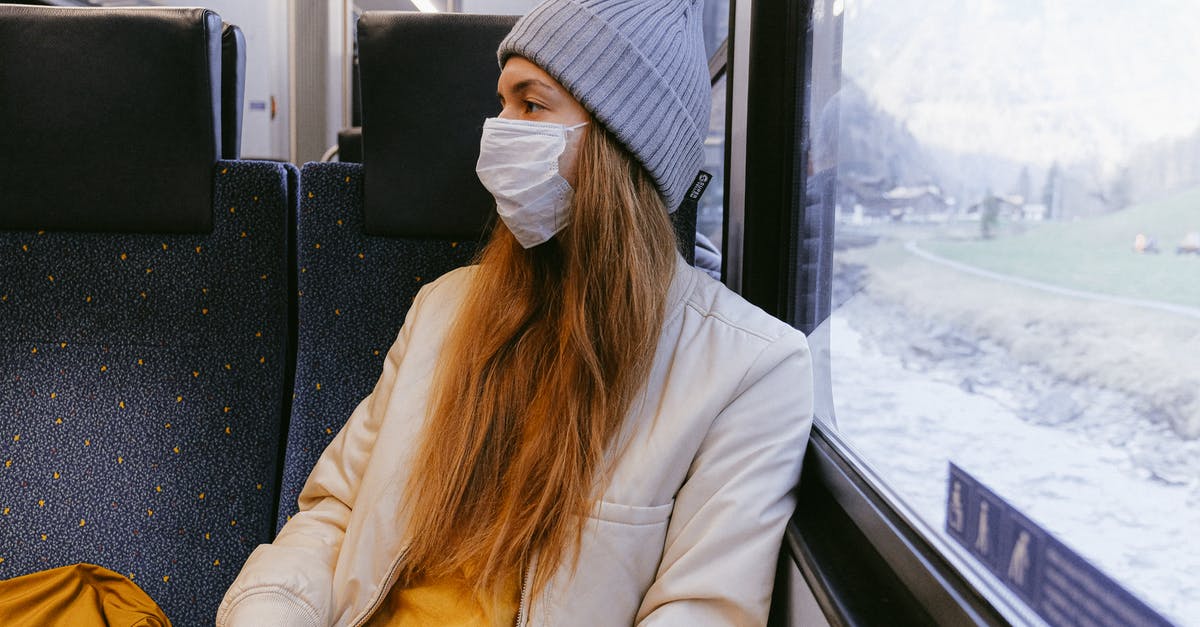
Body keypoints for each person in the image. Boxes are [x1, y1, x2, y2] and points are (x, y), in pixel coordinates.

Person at [217, 1, 813, 625]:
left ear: (620, 146)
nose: (498, 129)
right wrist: (270, 612)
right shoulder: (444, 308)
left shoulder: (751, 372)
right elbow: (334, 512)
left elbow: (699, 611)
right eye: (502, 103)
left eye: (530, 105)